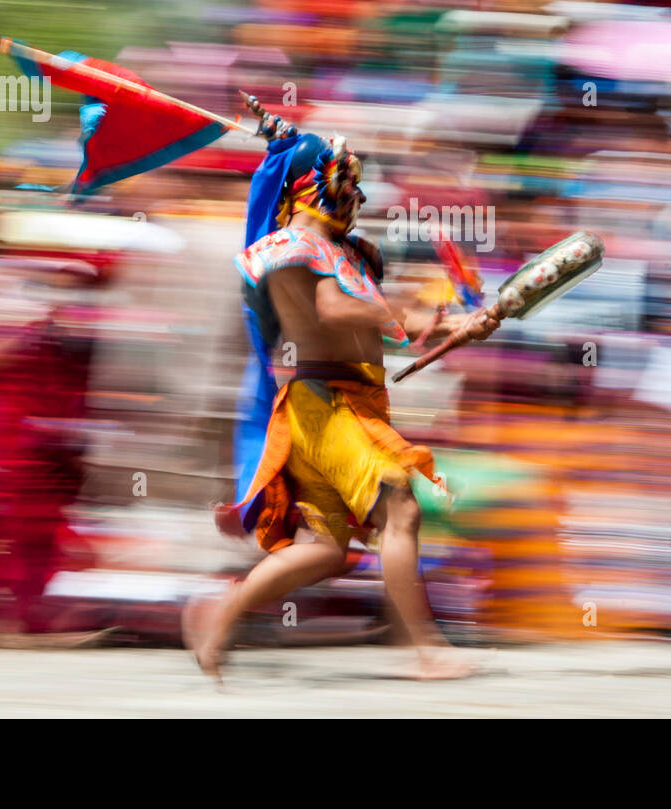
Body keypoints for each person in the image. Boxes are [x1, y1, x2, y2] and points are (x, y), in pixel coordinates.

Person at [184, 110, 499, 682]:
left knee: (324, 550)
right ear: (313, 184)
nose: (358, 192)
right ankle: (425, 652)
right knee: (399, 504)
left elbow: (382, 333)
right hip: (322, 405)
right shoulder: (291, 246)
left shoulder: (352, 252)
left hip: (345, 406)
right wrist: (400, 313)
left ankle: (219, 614)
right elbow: (335, 313)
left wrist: (454, 328)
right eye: (346, 180)